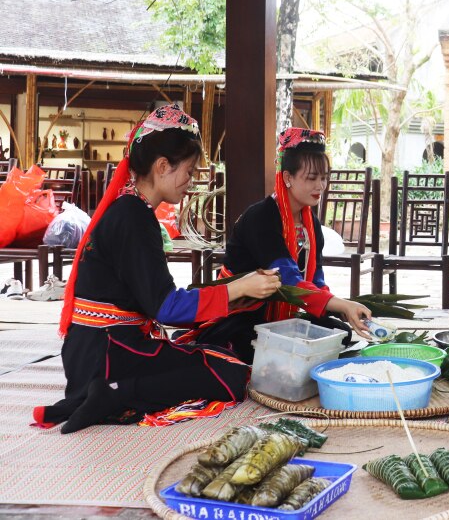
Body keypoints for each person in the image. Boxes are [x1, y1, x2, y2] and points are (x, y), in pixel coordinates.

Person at [35, 105, 282, 434]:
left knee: (214, 353)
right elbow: (166, 308)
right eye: (189, 171)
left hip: (92, 351)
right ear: (163, 166)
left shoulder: (130, 210)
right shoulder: (134, 219)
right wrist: (239, 287)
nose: (191, 182)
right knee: (230, 372)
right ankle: (114, 395)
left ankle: (101, 394)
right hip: (108, 353)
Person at [176, 127, 372, 361]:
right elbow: (286, 279)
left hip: (284, 315)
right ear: (288, 177)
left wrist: (342, 310)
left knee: (340, 333)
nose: (320, 186)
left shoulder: (313, 226)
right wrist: (340, 304)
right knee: (248, 347)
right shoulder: (261, 217)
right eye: (311, 178)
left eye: (324, 177)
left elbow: (316, 281)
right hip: (244, 313)